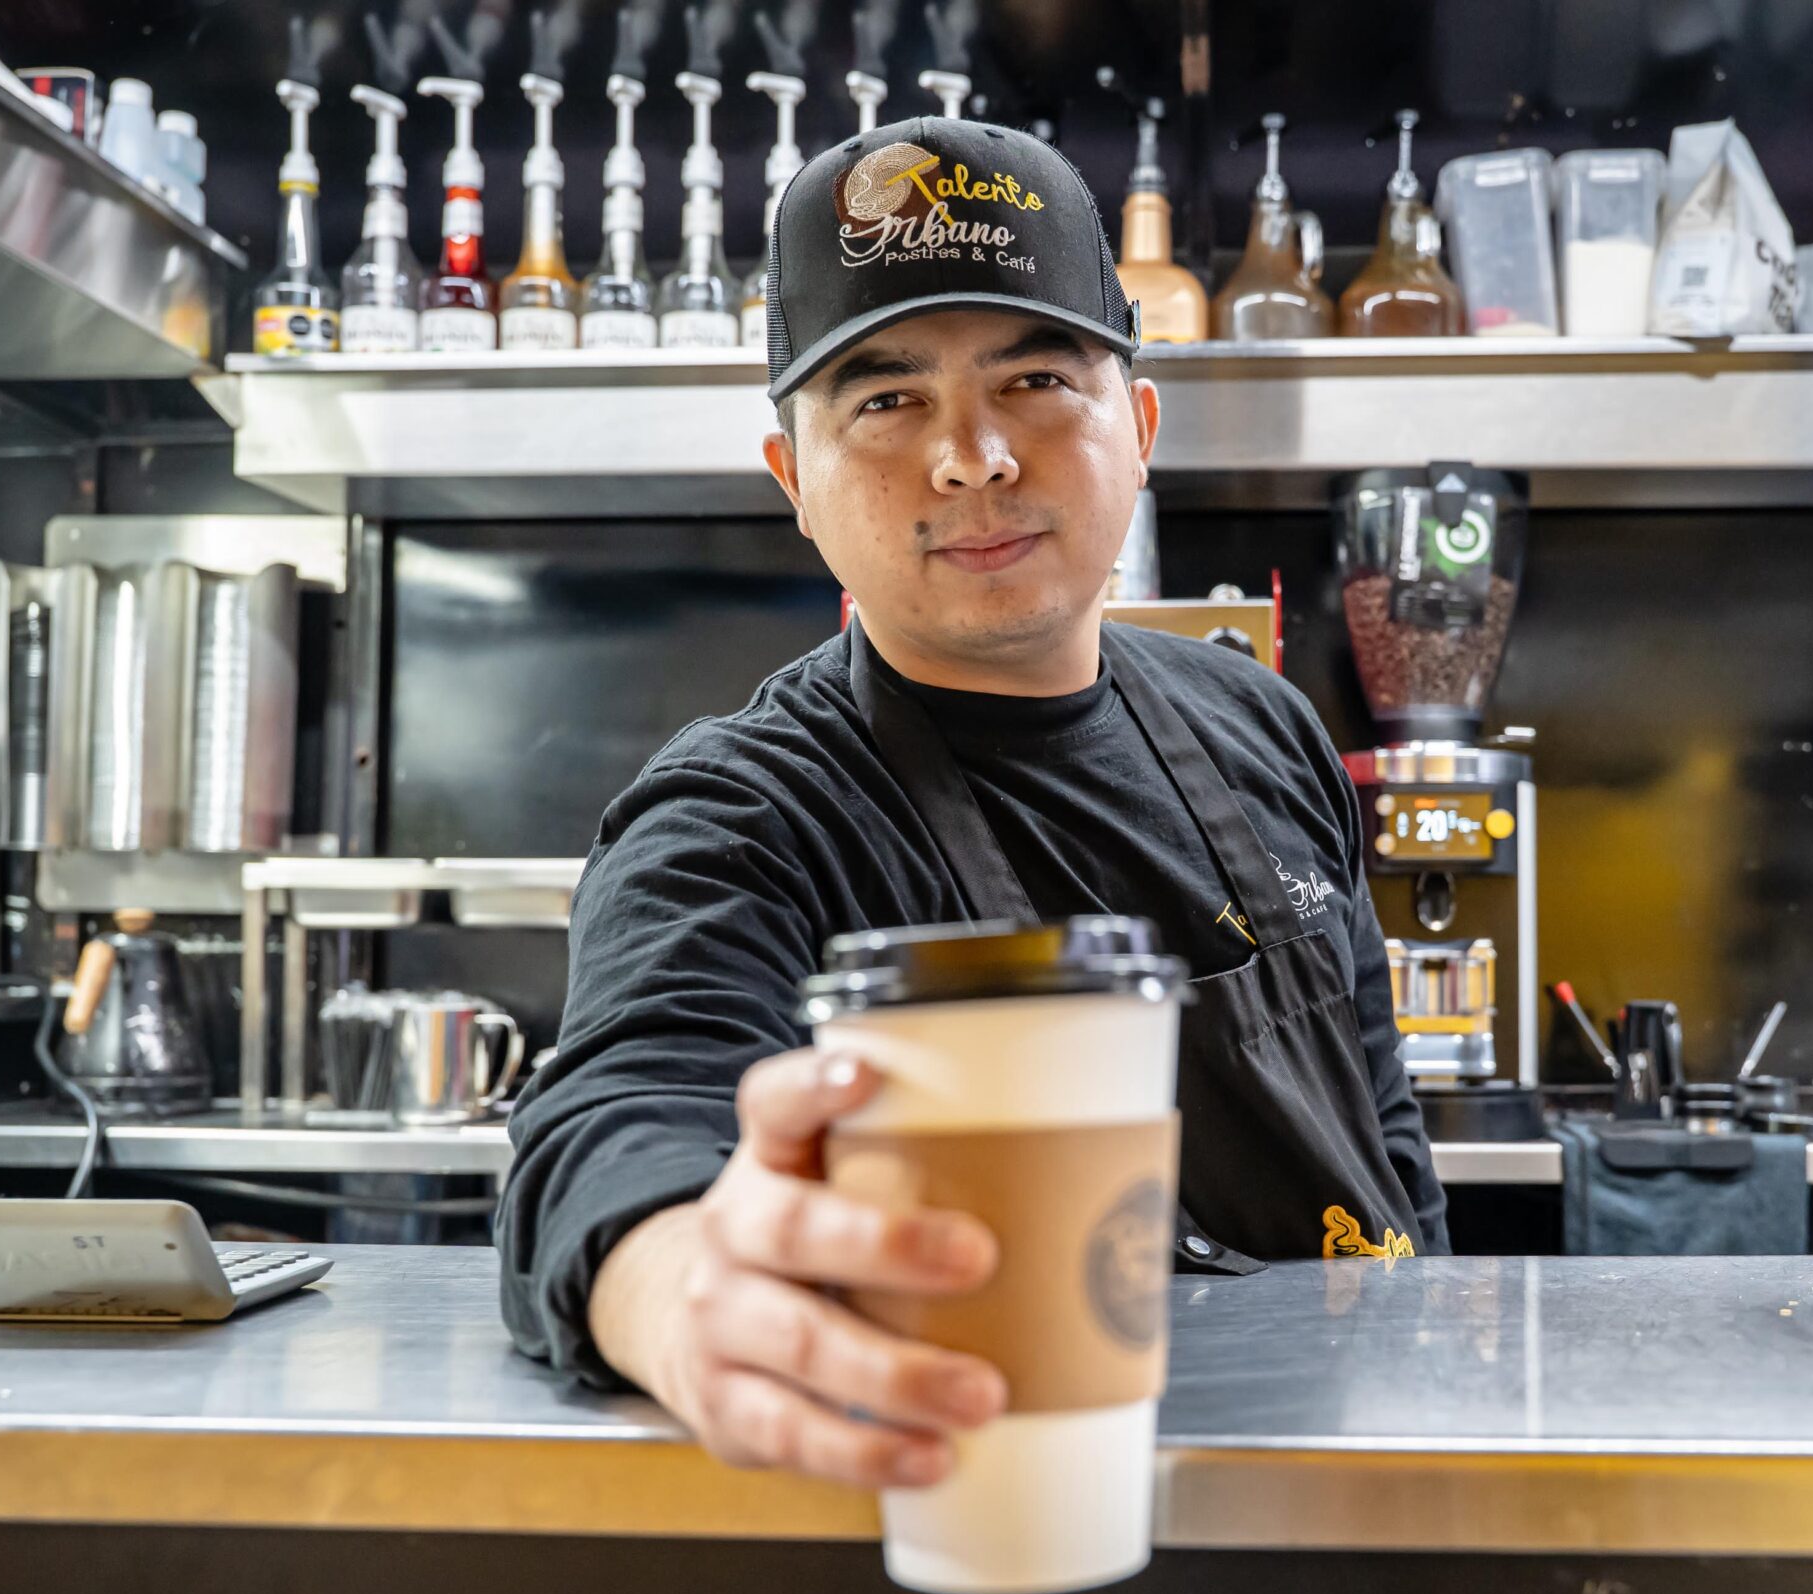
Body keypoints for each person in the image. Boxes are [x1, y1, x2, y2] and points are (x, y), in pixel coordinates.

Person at [500, 117, 1445, 1490]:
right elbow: (619, 1124)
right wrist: (682, 1280)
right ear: (794, 483)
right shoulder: (742, 816)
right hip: (1007, 1500)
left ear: (1140, 429)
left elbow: (1384, 1130)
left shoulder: (1265, 723)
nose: (973, 456)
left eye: (1038, 379)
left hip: (1365, 1493)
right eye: (886, 400)